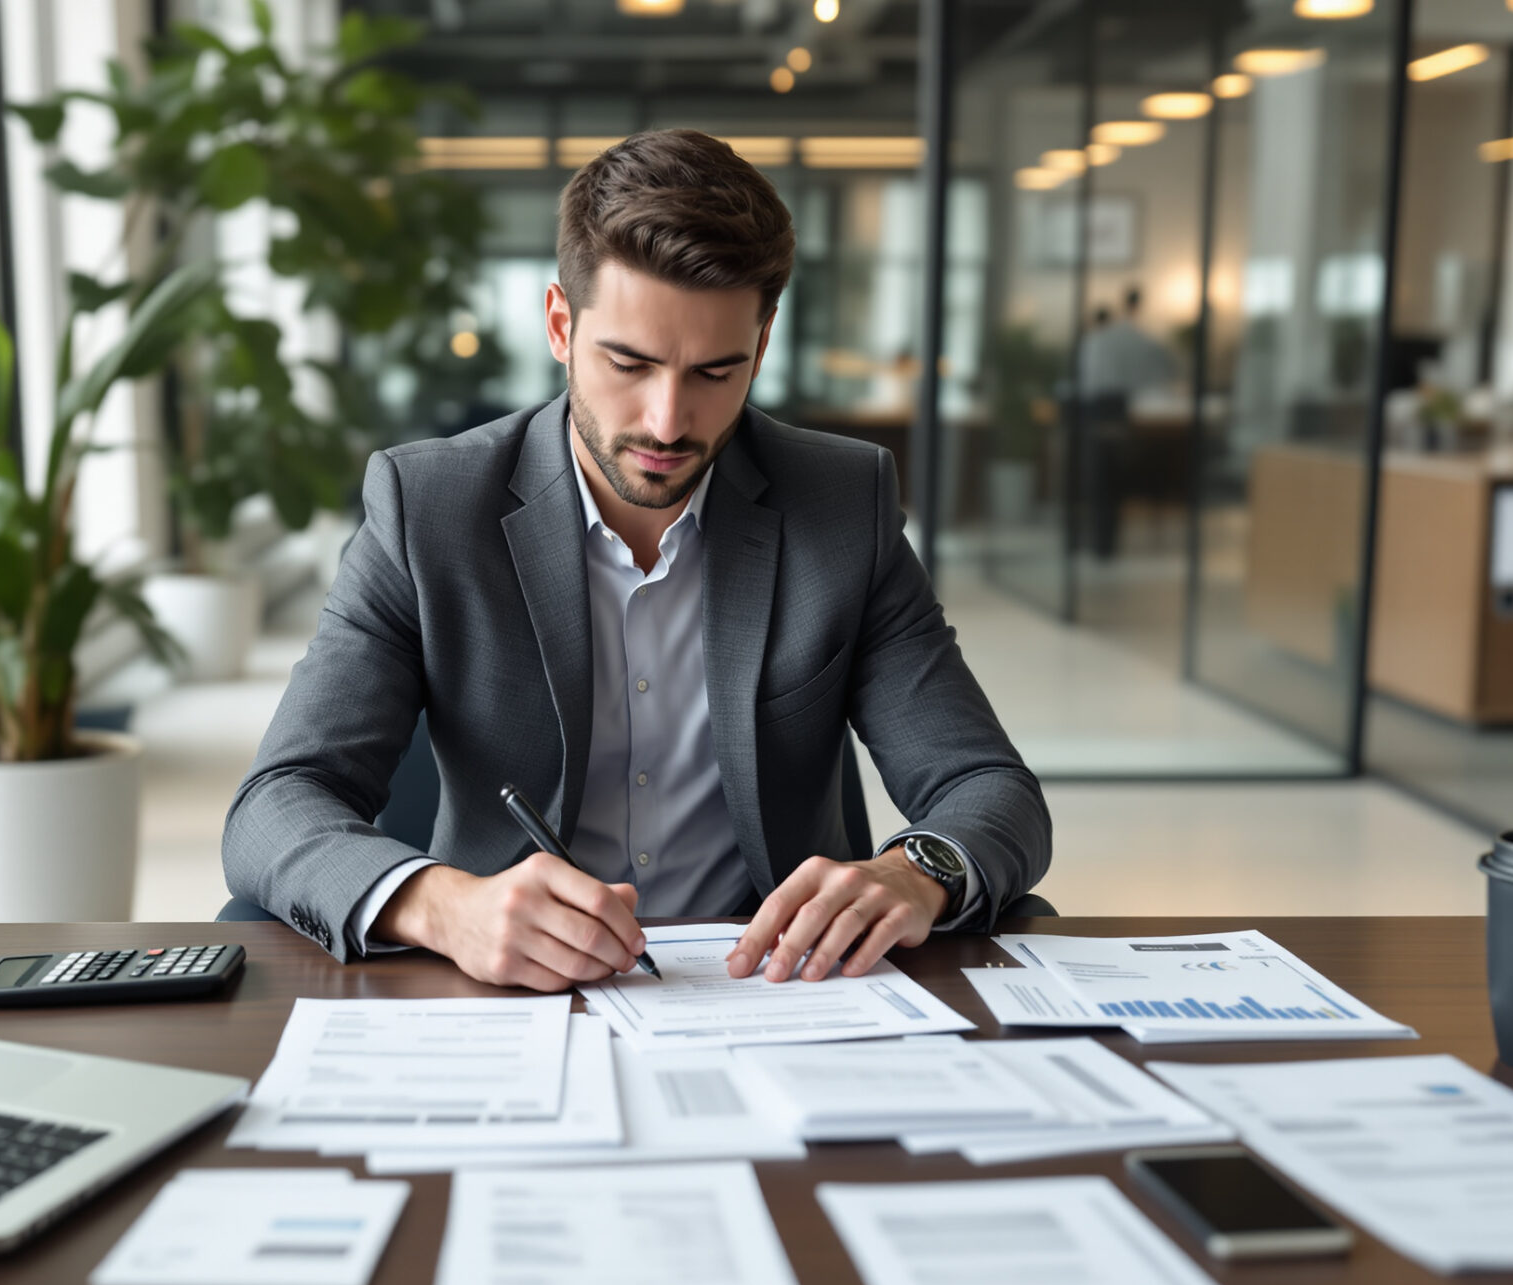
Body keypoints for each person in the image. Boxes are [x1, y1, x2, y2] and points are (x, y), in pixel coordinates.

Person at [223, 130, 1051, 992]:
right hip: (507, 991)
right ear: (559, 325)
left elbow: (989, 787)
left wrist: (916, 871)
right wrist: (440, 905)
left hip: (778, 993)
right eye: (630, 363)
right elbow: (277, 802)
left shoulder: (843, 505)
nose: (666, 420)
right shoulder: (427, 509)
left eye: (714, 373)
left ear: (761, 349)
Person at [1070, 289, 1177, 560]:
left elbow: (1084, 381)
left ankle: (1098, 543)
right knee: (1109, 477)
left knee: (1097, 478)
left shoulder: (1096, 342)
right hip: (1117, 410)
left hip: (1097, 411)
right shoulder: (1131, 338)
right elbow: (1161, 369)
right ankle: (1104, 544)